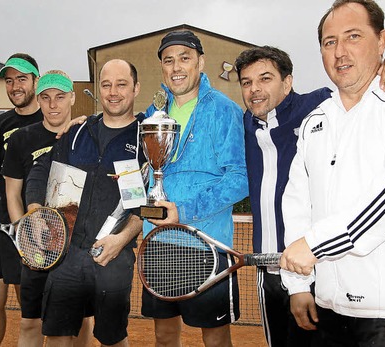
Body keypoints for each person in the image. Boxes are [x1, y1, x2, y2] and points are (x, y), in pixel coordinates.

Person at [280, 0, 385, 345]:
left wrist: (315, 244)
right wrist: (298, 284)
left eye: (353, 36)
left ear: (382, 41)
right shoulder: (315, 121)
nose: (340, 52)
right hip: (330, 307)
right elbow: (297, 203)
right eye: (329, 42)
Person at [233, 46, 385, 346]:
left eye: (265, 79)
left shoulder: (319, 106)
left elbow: (362, 87)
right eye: (246, 82)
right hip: (268, 270)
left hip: (318, 268)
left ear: (288, 82)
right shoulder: (245, 122)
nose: (255, 89)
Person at [24, 59, 146, 347]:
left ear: (136, 88)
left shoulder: (145, 137)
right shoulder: (79, 132)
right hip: (68, 254)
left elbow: (146, 202)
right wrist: (35, 211)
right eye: (106, 85)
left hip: (113, 255)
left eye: (121, 84)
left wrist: (121, 240)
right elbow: (42, 169)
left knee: (112, 338)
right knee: (56, 335)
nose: (113, 92)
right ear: (98, 89)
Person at [141, 30, 248, 347]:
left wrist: (184, 210)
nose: (176, 67)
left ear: (201, 62)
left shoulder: (223, 110)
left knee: (215, 340)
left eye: (184, 58)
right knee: (164, 336)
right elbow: (149, 169)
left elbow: (240, 177)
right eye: (168, 60)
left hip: (206, 246)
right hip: (158, 243)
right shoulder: (153, 112)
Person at [2, 70, 92, 347]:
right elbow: (12, 193)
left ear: (72, 99)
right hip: (36, 245)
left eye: (60, 97)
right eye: (46, 97)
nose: (53, 104)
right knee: (31, 320)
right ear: (38, 100)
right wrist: (26, 236)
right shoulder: (20, 139)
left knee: (82, 320)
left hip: (78, 247)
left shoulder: (88, 134)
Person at [0, 53, 43, 346]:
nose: (15, 86)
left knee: (31, 311)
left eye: (22, 79)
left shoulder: (50, 119)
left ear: (35, 81)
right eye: (9, 80)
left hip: (32, 229)